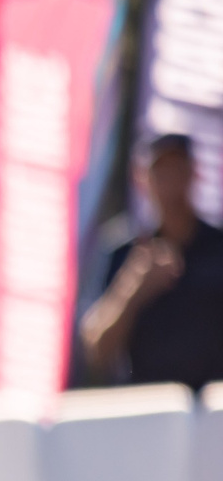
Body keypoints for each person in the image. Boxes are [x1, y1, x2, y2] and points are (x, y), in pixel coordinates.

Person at [80, 134, 223, 388]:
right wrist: (134, 289)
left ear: (194, 173)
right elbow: (97, 350)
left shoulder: (217, 247)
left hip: (213, 411)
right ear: (143, 179)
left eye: (178, 168)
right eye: (161, 171)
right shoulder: (124, 252)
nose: (170, 181)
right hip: (149, 411)